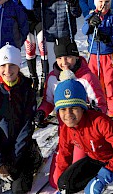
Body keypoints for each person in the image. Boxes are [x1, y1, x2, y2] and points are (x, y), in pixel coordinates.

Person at [52, 76, 113, 193]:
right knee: (64, 184)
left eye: (73, 108)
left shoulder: (99, 121)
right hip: (95, 159)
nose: (68, 114)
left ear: (83, 108)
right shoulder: (65, 127)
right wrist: (59, 187)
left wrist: (104, 176)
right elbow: (64, 155)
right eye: (63, 109)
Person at [34, 36, 107, 189]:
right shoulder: (53, 77)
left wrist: (95, 111)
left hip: (85, 131)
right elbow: (48, 101)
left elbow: (101, 104)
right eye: (60, 57)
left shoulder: (86, 77)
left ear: (75, 56)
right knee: (55, 181)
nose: (64, 62)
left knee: (74, 178)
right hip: (65, 131)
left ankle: (96, 160)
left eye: (68, 57)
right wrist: (41, 112)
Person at [0, 44, 42, 194]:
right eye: (3, 65)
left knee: (20, 189)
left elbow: (27, 127)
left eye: (12, 65)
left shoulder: (27, 92)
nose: (7, 70)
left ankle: (33, 154)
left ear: (19, 66)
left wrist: (14, 159)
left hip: (20, 150)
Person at [82, 0, 113, 122]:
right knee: (93, 81)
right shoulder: (91, 16)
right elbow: (84, 30)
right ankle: (96, 105)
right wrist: (91, 24)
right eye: (101, 1)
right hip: (93, 54)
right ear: (96, 2)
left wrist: (107, 38)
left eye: (107, 2)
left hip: (108, 55)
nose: (103, 4)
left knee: (110, 82)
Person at [33, 0, 82, 67]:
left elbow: (77, 13)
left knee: (66, 65)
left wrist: (71, 1)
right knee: (52, 65)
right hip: (50, 35)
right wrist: (37, 3)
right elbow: (38, 16)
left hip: (66, 34)